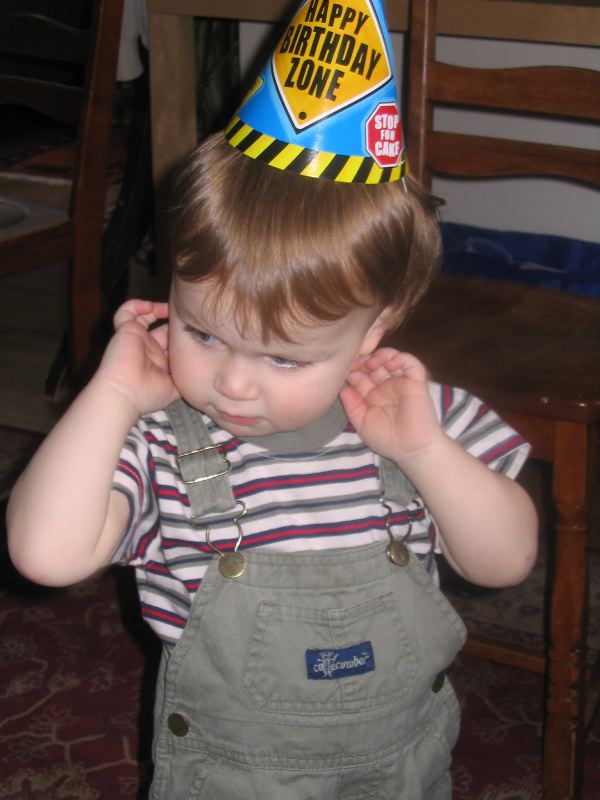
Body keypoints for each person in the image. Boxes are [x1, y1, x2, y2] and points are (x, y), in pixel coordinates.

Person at [7, 1, 538, 796]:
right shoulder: (159, 443)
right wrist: (112, 395)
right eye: (203, 332)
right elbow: (44, 555)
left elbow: (505, 562)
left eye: (285, 357)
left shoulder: (420, 421)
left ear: (375, 328)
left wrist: (427, 453)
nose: (233, 383)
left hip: (402, 773)